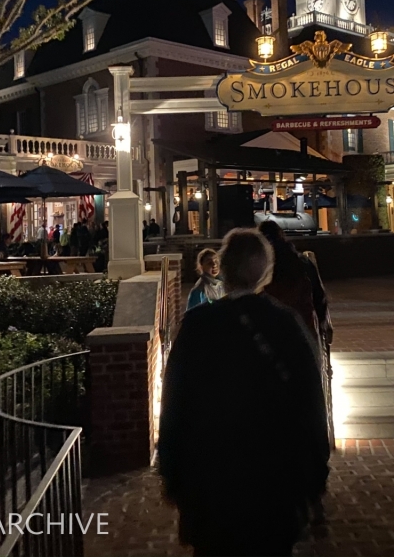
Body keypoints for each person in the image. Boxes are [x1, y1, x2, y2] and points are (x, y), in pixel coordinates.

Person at [158, 229, 330, 557]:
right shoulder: (285, 324)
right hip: (274, 486)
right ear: (265, 270)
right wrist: (313, 475)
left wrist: (172, 473)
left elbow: (175, 403)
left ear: (223, 267)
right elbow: (310, 403)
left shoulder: (197, 326)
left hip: (211, 486)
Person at [257, 221, 321, 349]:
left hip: (269, 332)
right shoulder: (301, 262)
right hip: (302, 327)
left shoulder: (259, 266)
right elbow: (318, 296)